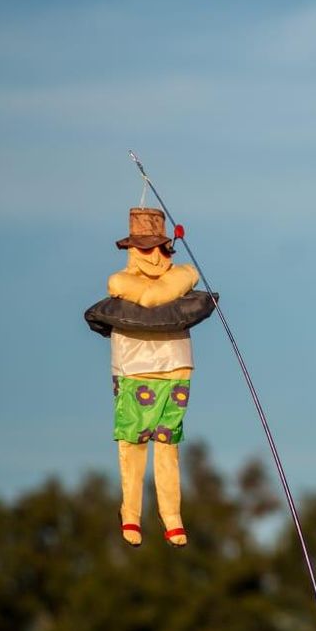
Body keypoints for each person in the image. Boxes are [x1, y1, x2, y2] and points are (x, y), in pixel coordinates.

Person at [106, 207, 199, 547]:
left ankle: (171, 515)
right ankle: (130, 512)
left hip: (174, 366)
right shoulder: (122, 281)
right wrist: (157, 294)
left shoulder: (183, 274)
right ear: (132, 249)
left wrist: (159, 293)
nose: (154, 256)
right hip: (133, 367)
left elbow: (156, 294)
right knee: (132, 443)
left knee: (167, 445)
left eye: (160, 247)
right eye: (145, 248)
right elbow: (140, 293)